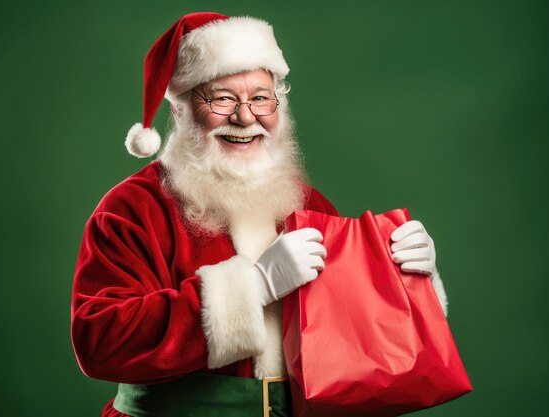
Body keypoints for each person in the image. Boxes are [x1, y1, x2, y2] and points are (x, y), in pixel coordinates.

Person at [71, 12, 448, 417]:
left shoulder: (309, 204)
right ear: (179, 110)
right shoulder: (132, 209)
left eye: (260, 97)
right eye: (222, 98)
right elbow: (101, 342)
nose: (246, 117)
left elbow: (355, 346)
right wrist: (254, 287)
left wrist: (409, 285)